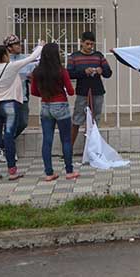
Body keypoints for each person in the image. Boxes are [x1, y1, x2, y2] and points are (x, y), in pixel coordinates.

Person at [0, 43, 43, 181]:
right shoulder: (11, 67)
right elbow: (32, 58)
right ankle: (12, 171)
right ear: (4, 55)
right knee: (9, 137)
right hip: (9, 105)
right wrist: (40, 46)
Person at [30, 43, 79, 181]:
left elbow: (34, 91)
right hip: (61, 105)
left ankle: (49, 173)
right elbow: (70, 91)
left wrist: (46, 94)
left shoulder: (37, 72)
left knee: (47, 140)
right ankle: (69, 171)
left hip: (45, 106)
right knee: (66, 140)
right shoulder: (61, 71)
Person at [66, 31, 112, 150]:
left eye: (92, 44)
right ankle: (68, 150)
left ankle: (91, 149)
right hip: (82, 92)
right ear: (81, 43)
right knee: (77, 120)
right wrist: (83, 72)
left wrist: (102, 70)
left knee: (94, 121)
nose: (90, 47)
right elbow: (69, 74)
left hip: (98, 92)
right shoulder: (74, 57)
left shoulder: (99, 56)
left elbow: (109, 73)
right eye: (87, 44)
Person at [3, 35, 36, 139]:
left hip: (23, 96)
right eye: (16, 44)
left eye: (19, 43)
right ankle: (7, 146)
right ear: (9, 47)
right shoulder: (5, 60)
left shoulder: (26, 58)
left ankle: (5, 142)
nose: (19, 46)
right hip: (8, 97)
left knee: (23, 122)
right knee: (9, 123)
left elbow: (32, 76)